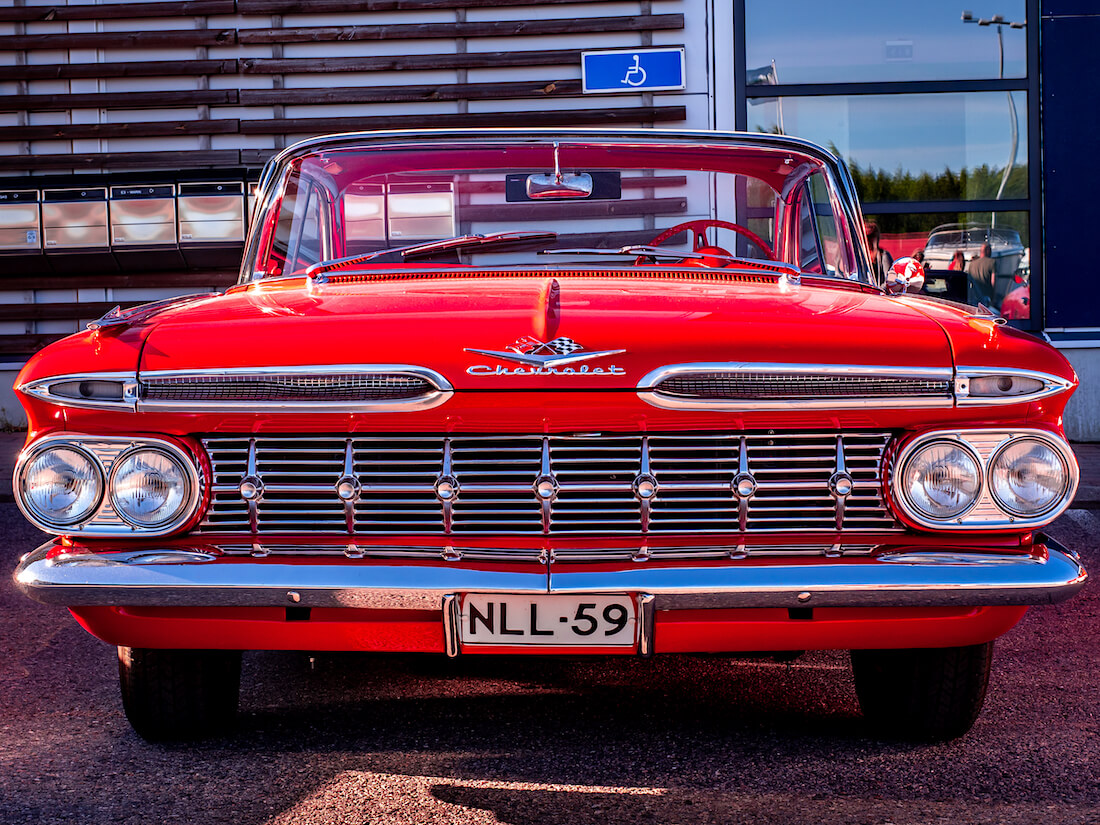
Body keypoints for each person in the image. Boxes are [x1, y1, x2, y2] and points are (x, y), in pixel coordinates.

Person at [966, 242, 997, 307]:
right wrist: (993, 298)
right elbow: (993, 282)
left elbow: (968, 282)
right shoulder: (992, 262)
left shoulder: (972, 264)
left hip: (974, 297)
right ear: (987, 250)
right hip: (986, 296)